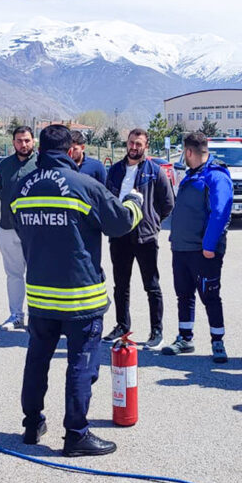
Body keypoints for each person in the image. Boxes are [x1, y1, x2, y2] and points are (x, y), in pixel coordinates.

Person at [12, 124, 143, 457]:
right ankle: (76, 434)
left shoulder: (21, 187)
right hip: (79, 297)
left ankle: (31, 425)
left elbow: (21, 228)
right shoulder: (85, 186)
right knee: (81, 366)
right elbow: (121, 223)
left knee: (36, 360)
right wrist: (134, 202)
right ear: (71, 150)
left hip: (40, 295)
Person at [162, 132, 234, 363]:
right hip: (181, 248)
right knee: (184, 295)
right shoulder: (191, 175)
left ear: (189, 152)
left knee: (210, 296)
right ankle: (185, 337)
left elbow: (220, 213)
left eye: (184, 152)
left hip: (203, 250)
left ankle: (217, 341)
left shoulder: (216, 176)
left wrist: (209, 245)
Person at [102, 128, 175, 348]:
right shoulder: (114, 170)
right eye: (131, 143)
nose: (134, 147)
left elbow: (168, 203)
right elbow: (107, 199)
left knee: (151, 285)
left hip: (145, 238)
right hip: (120, 236)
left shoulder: (155, 171)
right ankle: (122, 325)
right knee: (120, 285)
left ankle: (156, 331)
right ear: (127, 143)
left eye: (139, 144)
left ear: (146, 146)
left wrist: (152, 222)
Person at [0, 125, 39, 331]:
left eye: (27, 140)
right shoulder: (4, 165)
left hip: (34, 230)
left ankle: (37, 316)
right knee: (14, 274)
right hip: (7, 228)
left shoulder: (41, 164)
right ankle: (16, 315)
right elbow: (1, 191)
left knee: (37, 274)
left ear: (34, 141)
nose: (24, 144)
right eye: (19, 140)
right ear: (13, 142)